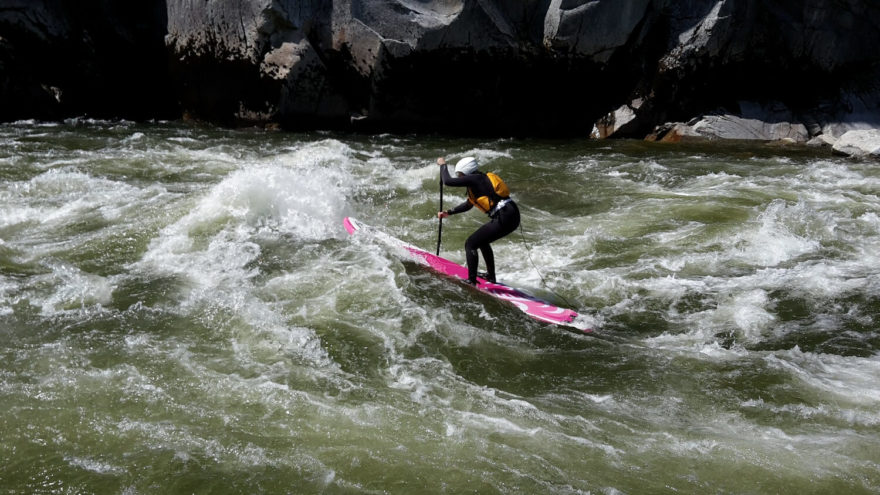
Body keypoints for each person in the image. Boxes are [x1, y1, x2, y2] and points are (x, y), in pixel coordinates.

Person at [437, 156, 520, 285]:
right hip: (510, 214)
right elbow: (468, 205)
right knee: (482, 241)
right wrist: (449, 212)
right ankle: (490, 276)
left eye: (460, 174)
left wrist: (443, 165)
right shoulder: (478, 182)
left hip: (505, 216)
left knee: (470, 243)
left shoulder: (475, 179)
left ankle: (471, 281)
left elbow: (447, 181)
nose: (460, 178)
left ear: (467, 172)